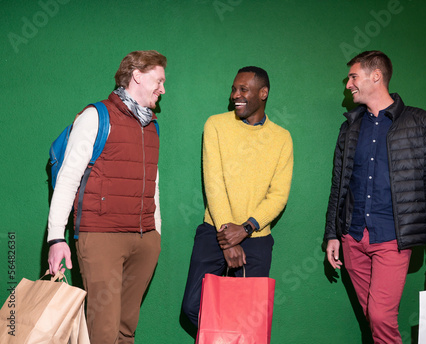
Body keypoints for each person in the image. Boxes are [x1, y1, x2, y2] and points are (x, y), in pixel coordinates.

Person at [324, 51, 426, 343]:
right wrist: (333, 234)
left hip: (393, 239)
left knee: (381, 317)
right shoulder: (349, 128)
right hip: (352, 238)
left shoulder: (420, 122)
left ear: (376, 76)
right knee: (373, 317)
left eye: (353, 76)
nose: (348, 84)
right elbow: (339, 186)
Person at [46, 50, 166, 344]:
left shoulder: (151, 126)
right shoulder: (95, 116)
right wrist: (55, 238)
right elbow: (68, 180)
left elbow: (154, 183)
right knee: (103, 330)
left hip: (144, 240)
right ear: (137, 76)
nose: (163, 89)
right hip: (101, 237)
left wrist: (156, 232)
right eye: (159, 81)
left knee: (127, 328)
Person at [181, 66, 294, 326]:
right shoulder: (216, 125)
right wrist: (228, 239)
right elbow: (214, 183)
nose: (235, 95)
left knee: (247, 320)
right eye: (234, 89)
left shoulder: (281, 138)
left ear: (263, 93)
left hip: (255, 237)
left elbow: (278, 195)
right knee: (192, 307)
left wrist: (246, 228)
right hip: (215, 231)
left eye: (243, 89)